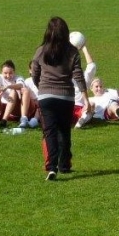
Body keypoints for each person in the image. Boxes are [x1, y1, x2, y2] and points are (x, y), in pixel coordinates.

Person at [31, 16, 91, 181]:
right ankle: (64, 164)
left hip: (45, 97)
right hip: (66, 96)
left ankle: (52, 167)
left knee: (49, 132)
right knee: (64, 131)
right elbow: (78, 76)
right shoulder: (72, 52)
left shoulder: (41, 50)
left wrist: (41, 87)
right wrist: (86, 98)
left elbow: (34, 73)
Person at [0, 59, 25, 127]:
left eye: (10, 73)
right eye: (5, 73)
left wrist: (8, 86)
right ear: (2, 72)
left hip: (14, 106)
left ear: (14, 72)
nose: (8, 76)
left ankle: (4, 120)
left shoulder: (18, 77)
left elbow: (21, 85)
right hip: (1, 105)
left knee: (13, 91)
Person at [20, 60, 41, 129]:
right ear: (30, 71)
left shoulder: (45, 81)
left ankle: (34, 120)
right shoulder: (27, 81)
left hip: (41, 105)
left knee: (43, 101)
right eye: (33, 69)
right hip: (31, 105)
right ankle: (24, 119)